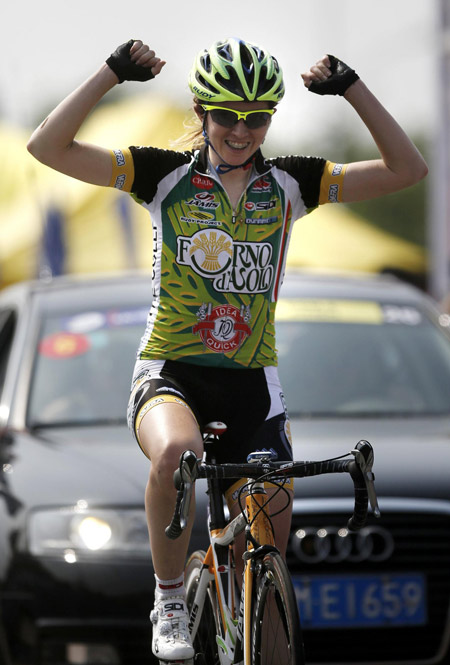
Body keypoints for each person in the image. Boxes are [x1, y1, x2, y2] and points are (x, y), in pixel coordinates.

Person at [27, 37, 428, 662]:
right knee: (177, 456)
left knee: (265, 586)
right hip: (171, 373)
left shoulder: (293, 183)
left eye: (257, 116)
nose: (241, 130)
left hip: (253, 386)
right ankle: (167, 599)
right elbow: (46, 147)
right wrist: (112, 73)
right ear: (201, 111)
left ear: (270, 118)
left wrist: (352, 88)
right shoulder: (163, 176)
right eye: (226, 115)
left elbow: (408, 171)